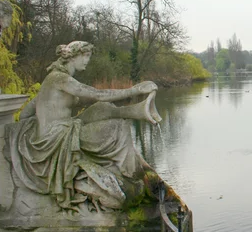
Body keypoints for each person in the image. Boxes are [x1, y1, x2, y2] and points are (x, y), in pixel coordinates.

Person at [9, 41, 163, 212]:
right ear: (74, 56)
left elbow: (26, 113)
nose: (87, 61)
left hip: (56, 131)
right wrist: (135, 90)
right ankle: (130, 174)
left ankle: (137, 111)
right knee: (119, 127)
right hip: (58, 137)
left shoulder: (51, 80)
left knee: (102, 108)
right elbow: (96, 94)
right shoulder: (61, 79)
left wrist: (29, 127)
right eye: (86, 56)